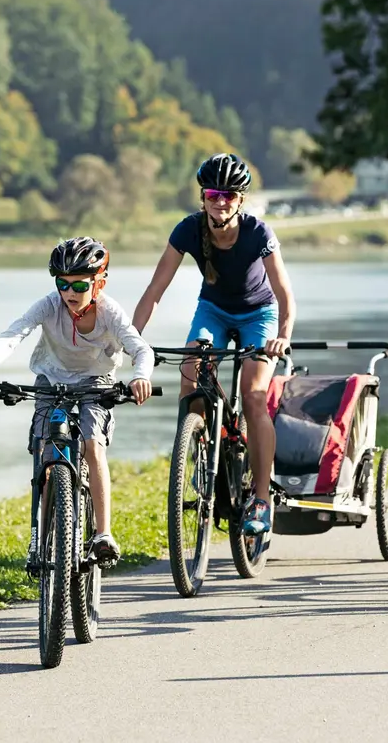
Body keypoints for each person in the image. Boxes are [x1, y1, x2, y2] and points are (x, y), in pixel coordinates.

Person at [132, 153, 296, 535]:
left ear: (240, 200)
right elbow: (155, 290)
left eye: (228, 195)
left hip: (258, 315)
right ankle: (201, 451)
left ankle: (261, 499)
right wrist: (133, 339)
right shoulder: (188, 230)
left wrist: (282, 337)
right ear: (203, 197)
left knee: (253, 395)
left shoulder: (258, 233)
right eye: (212, 194)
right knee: (191, 375)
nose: (220, 202)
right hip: (214, 311)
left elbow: (284, 294)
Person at [0, 237, 155, 566]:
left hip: (96, 380)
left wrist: (140, 376)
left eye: (80, 285)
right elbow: (14, 333)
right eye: (63, 284)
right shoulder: (49, 305)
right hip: (51, 378)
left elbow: (141, 349)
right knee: (44, 449)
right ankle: (43, 540)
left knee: (93, 445)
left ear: (99, 283)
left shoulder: (110, 312)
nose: (70, 292)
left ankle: (103, 534)